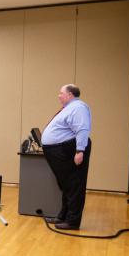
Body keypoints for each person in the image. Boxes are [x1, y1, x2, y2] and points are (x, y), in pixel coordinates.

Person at [41, 84, 92, 230]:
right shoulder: (70, 108)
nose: (59, 95)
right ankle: (63, 216)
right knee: (66, 185)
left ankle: (72, 221)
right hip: (60, 150)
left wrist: (79, 150)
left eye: (61, 93)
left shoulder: (78, 107)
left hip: (69, 149)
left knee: (73, 185)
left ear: (70, 94)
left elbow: (82, 128)